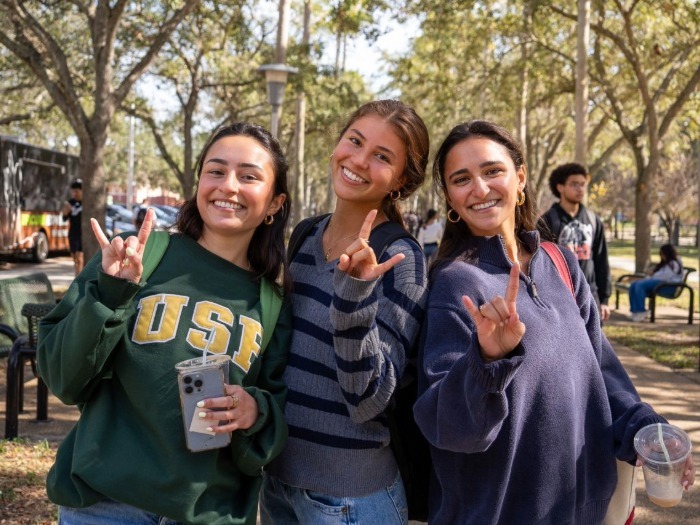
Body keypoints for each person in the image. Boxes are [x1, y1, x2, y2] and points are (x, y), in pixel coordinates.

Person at [413, 120, 695, 525]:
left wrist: (646, 427)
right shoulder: (455, 283)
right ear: (451, 199)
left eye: (493, 171)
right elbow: (452, 429)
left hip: (585, 510)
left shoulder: (560, 263)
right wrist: (486, 362)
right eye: (461, 179)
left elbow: (602, 371)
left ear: (520, 177)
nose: (479, 188)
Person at [37, 122, 293, 525]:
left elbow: (273, 424)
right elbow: (62, 375)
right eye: (215, 170)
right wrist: (110, 293)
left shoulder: (272, 303)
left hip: (209, 514)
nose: (228, 186)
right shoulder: (138, 257)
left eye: (249, 176)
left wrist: (253, 411)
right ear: (199, 182)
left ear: (275, 203)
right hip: (105, 506)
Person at [260, 100, 430, 525]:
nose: (358, 160)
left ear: (402, 181)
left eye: (382, 156)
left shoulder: (400, 258)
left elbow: (369, 398)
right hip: (277, 482)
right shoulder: (304, 234)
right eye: (354, 141)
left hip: (348, 501)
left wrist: (354, 294)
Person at [538, 162, 612, 323]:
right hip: (559, 296)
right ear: (560, 187)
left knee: (594, 346)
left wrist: (604, 299)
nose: (580, 189)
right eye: (574, 184)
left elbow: (601, 260)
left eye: (583, 184)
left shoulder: (593, 220)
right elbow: (540, 263)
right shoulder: (547, 221)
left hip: (591, 295)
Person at [628, 243, 684, 322]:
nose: (661, 256)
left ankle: (641, 311)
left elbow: (665, 276)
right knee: (634, 285)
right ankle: (635, 311)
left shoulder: (673, 264)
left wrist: (652, 275)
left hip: (668, 286)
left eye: (662, 254)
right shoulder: (666, 264)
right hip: (659, 283)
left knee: (640, 285)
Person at [62, 179, 83, 275]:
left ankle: (80, 276)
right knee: (74, 257)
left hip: (82, 234)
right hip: (72, 233)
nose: (75, 193)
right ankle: (76, 275)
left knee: (80, 256)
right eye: (73, 191)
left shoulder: (86, 203)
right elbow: (64, 218)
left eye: (77, 191)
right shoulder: (70, 203)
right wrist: (66, 211)